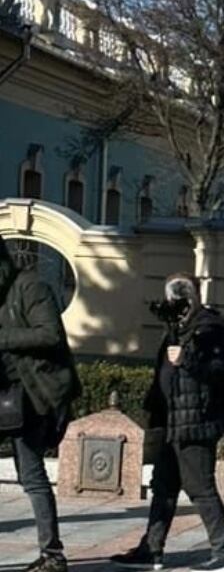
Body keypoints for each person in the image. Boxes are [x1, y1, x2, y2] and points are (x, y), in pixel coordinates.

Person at [112, 273, 224, 572]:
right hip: (172, 424)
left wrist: (187, 360)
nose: (173, 303)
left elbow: (217, 372)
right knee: (164, 487)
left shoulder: (209, 331)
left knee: (201, 488)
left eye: (178, 297)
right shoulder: (176, 330)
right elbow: (164, 377)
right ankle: (151, 550)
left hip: (196, 424)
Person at [0, 239, 82, 572]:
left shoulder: (29, 287)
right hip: (4, 391)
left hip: (31, 396)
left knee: (32, 476)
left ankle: (52, 554)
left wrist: (2, 338)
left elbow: (50, 335)